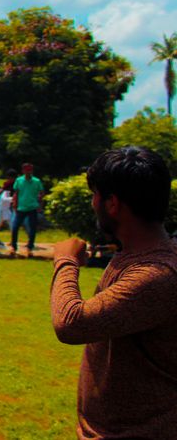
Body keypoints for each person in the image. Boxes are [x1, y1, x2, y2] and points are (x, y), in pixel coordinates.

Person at [50, 146, 177, 438]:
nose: (93, 202)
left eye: (95, 195)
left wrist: (65, 262)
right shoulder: (136, 255)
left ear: (112, 204)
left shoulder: (158, 274)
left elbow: (72, 323)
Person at [11, 163, 45, 257]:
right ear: (23, 171)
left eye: (29, 170)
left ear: (32, 171)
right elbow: (16, 193)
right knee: (15, 227)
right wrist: (15, 203)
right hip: (21, 207)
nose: (28, 172)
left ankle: (30, 248)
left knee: (32, 229)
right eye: (26, 170)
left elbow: (42, 193)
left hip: (32, 207)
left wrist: (39, 203)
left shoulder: (36, 181)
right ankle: (14, 247)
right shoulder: (19, 180)